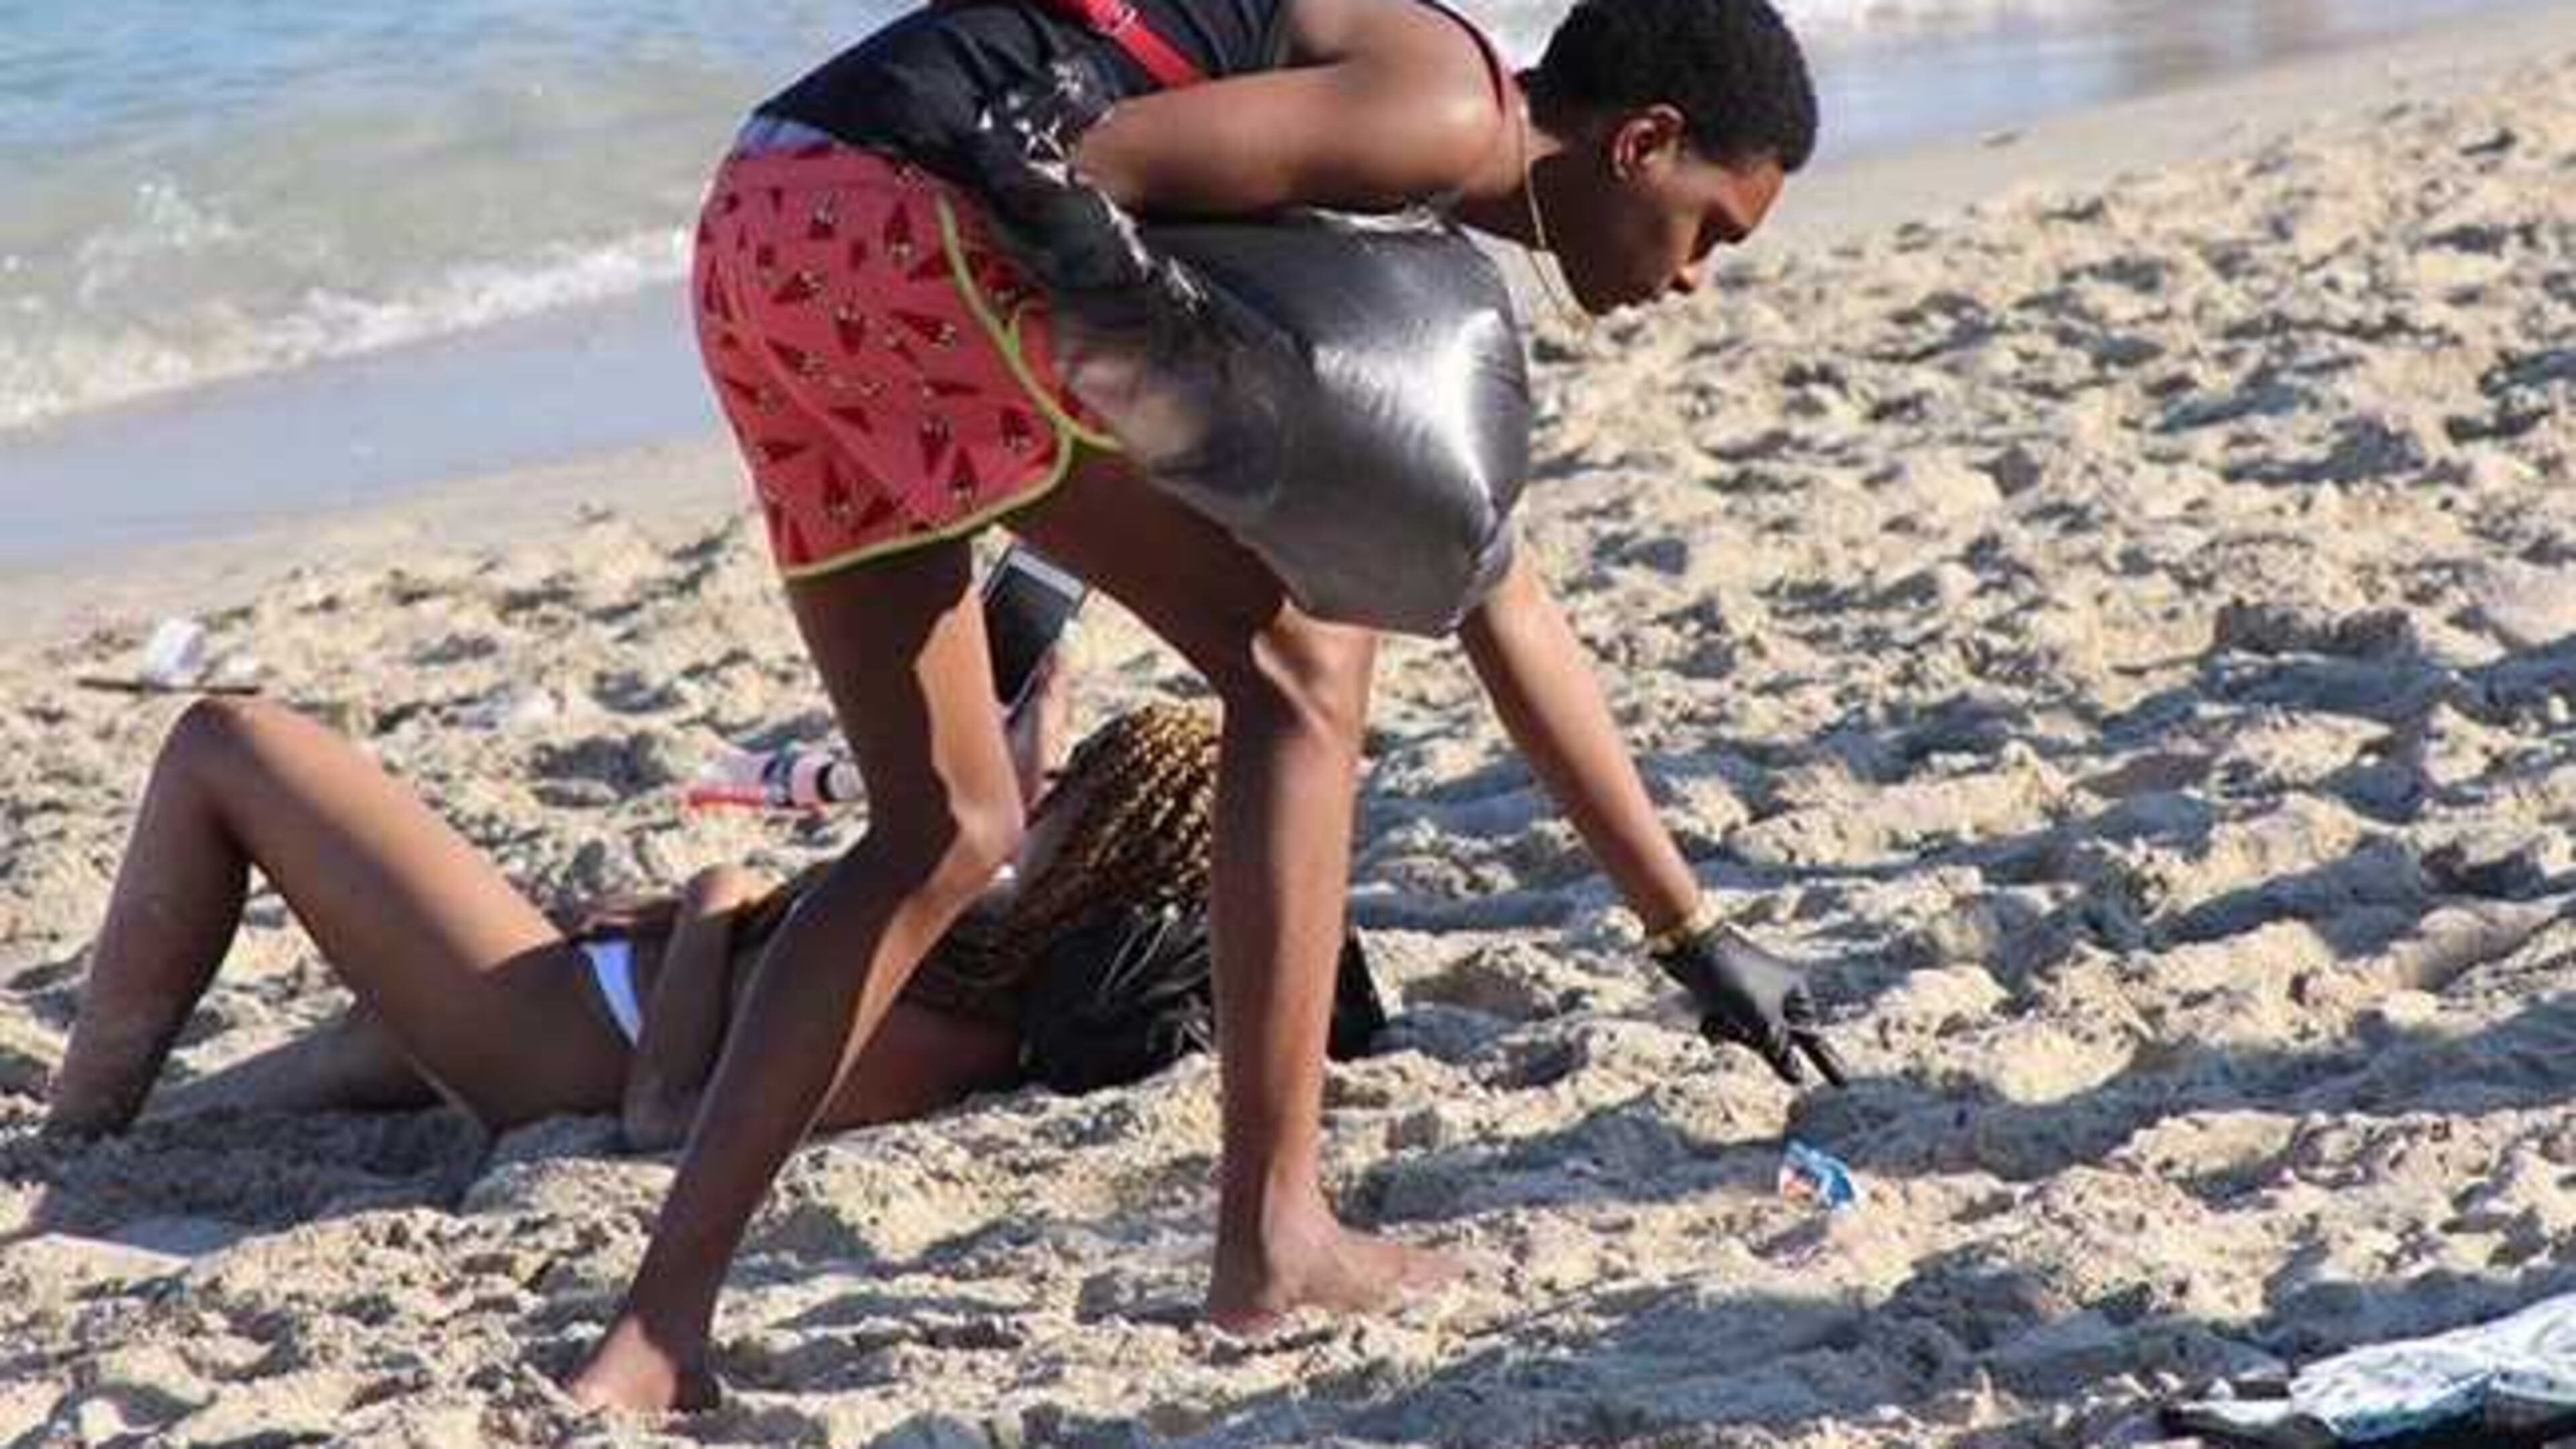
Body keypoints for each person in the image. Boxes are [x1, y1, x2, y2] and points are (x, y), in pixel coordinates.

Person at [575, 0, 1839, 1410]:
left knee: (943, 829)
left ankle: (651, 1338)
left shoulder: (1402, 185)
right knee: (1305, 667)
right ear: (1644, 142)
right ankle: (1273, 1237)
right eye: (1711, 230)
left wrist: (1690, 931)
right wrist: (1175, 423)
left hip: (769, 223)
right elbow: (1060, 158)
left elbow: (1495, 585)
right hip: (903, 216)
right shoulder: (1440, 111)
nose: (1694, 282)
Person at [42, 688, 1234, 1148]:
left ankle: (73, 1122)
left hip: (541, 1036)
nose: (1054, 781)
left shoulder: (958, 1023)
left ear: (1110, 853)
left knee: (230, 744)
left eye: (1081, 788)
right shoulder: (986, 935)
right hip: (566, 985)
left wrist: (714, 912)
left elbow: (669, 1120)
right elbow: (1007, 764)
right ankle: (91, 1140)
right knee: (209, 1116)